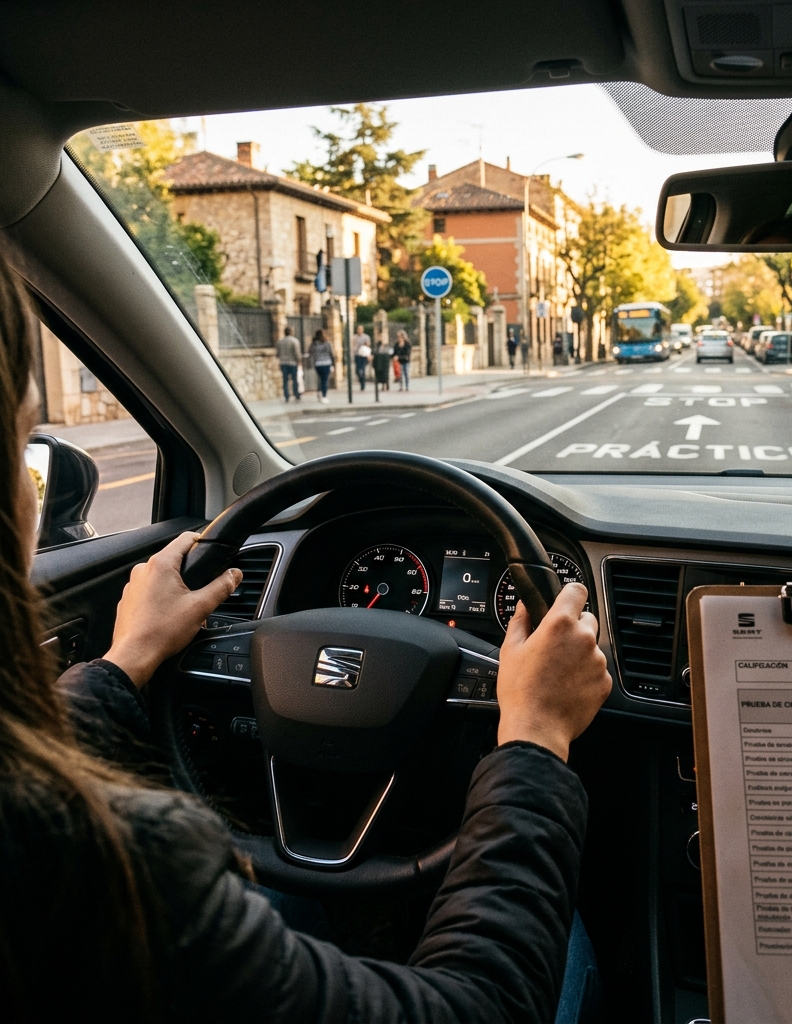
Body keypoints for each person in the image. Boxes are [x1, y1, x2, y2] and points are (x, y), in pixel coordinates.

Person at [0, 255, 612, 1021]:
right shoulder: (116, 867)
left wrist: (125, 664)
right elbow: (479, 1006)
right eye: (26, 446)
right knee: (574, 939)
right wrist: (534, 736)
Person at [308, 329, 335, 404]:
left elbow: (310, 352)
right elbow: (332, 354)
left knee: (320, 379)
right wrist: (333, 364)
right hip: (326, 363)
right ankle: (324, 395)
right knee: (325, 380)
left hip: (318, 364)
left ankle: (319, 392)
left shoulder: (314, 344)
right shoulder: (327, 343)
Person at [276, 326, 302, 402]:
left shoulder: (280, 342)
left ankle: (286, 396)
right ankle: (296, 394)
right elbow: (297, 353)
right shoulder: (295, 341)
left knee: (285, 380)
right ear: (291, 332)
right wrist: (299, 361)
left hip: (283, 363)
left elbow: (278, 354)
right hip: (293, 363)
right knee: (294, 379)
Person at [353, 324, 371, 391]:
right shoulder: (355, 337)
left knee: (362, 370)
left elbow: (368, 345)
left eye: (360, 329)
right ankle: (361, 381)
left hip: (363, 355)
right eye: (358, 329)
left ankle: (363, 385)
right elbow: (353, 345)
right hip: (357, 355)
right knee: (357, 370)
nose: (359, 330)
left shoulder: (366, 337)